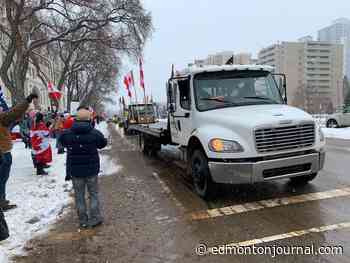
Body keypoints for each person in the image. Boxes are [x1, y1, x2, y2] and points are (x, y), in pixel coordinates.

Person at [59, 108, 107, 228]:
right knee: (93, 194)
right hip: (91, 170)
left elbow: (62, 142)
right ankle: (95, 218)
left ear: (75, 119)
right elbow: (102, 144)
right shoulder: (94, 133)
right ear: (89, 119)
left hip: (75, 171)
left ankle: (83, 220)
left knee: (79, 196)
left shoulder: (68, 134)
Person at [0, 94, 38, 210]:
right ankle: (1, 202)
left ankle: (2, 201)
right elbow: (14, 112)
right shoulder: (2, 117)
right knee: (1, 179)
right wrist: (27, 101)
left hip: (4, 151)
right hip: (3, 152)